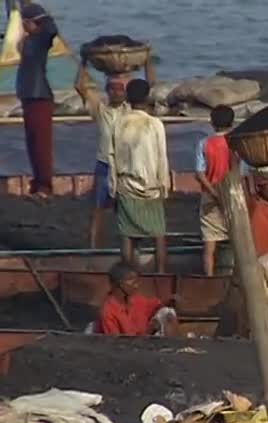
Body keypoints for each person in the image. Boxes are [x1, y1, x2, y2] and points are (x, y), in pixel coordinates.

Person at [75, 52, 156, 248]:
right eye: (112, 88)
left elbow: (150, 86)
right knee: (99, 209)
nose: (116, 92)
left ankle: (130, 247)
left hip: (126, 166)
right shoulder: (100, 108)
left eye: (120, 89)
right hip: (104, 164)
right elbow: (80, 87)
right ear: (107, 90)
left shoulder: (132, 110)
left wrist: (147, 60)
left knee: (127, 209)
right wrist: (84, 62)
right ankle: (94, 247)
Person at [112, 79, 170, 273]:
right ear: (147, 98)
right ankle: (161, 273)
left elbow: (112, 156)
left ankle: (127, 273)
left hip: (126, 184)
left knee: (127, 234)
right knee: (159, 234)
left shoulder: (119, 122)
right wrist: (165, 186)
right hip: (151, 187)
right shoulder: (155, 124)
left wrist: (113, 186)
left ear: (127, 97)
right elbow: (162, 158)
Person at [16, 3, 58, 198]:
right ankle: (37, 183)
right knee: (32, 142)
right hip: (28, 95)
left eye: (26, 22)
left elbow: (51, 29)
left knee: (41, 144)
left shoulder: (41, 38)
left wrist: (42, 16)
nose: (23, 25)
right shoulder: (28, 41)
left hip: (39, 96)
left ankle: (45, 186)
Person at [195, 105, 234, 276]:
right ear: (232, 122)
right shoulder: (235, 142)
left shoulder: (204, 143)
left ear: (212, 122)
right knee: (236, 241)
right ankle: (235, 276)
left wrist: (213, 192)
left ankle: (209, 279)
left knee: (209, 246)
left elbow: (199, 173)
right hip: (233, 197)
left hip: (209, 199)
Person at [94, 262, 178, 336]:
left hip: (143, 343)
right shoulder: (108, 312)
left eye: (136, 282)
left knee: (168, 313)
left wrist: (171, 299)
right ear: (120, 283)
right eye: (133, 282)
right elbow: (115, 345)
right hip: (125, 350)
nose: (136, 286)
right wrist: (149, 331)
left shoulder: (137, 301)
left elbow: (156, 303)